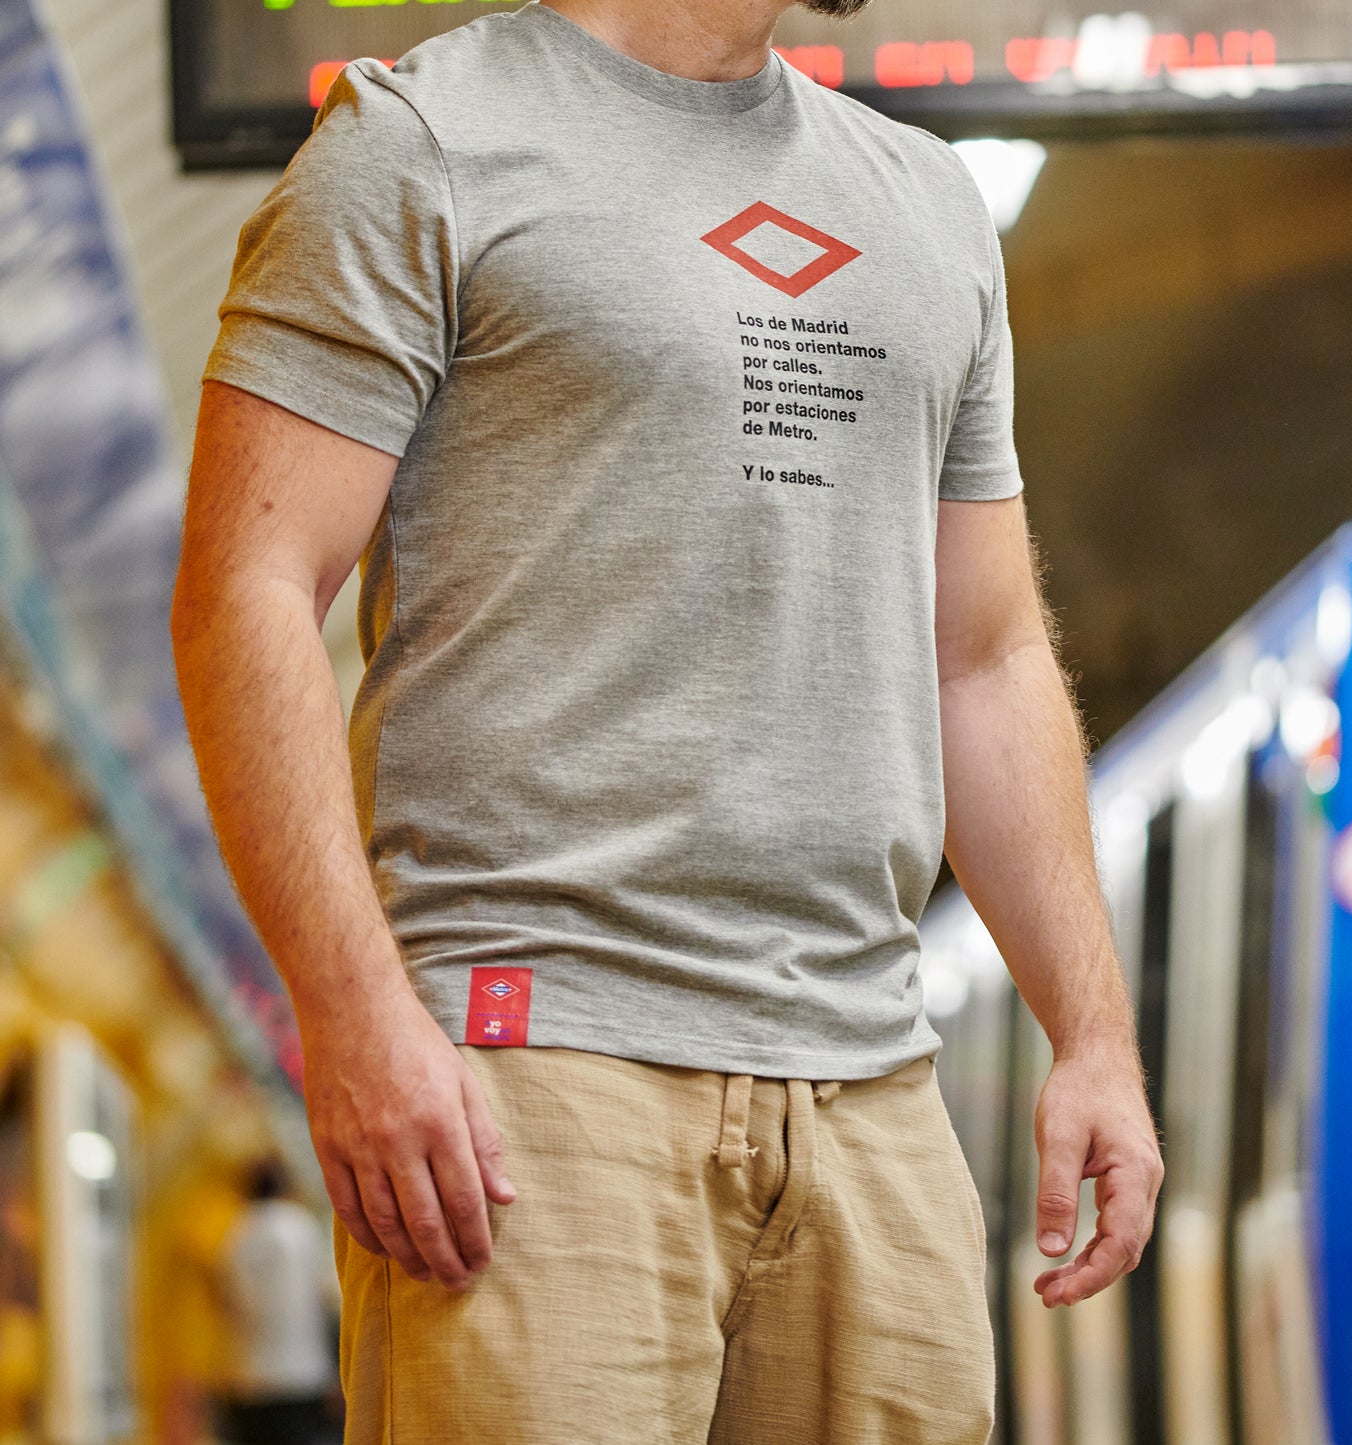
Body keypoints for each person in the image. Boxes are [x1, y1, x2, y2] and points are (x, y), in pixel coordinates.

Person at [171, 0, 1165, 1438]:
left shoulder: (928, 204)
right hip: (535, 1079)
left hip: (873, 1094)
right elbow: (246, 589)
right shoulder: (421, 143)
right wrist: (351, 1016)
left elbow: (985, 656)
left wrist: (1094, 1035)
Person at [214, 1159, 342, 1445]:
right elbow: (326, 1291)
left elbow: (229, 1300)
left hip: (249, 1371)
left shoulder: (236, 1231)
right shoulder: (301, 1226)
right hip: (302, 1368)